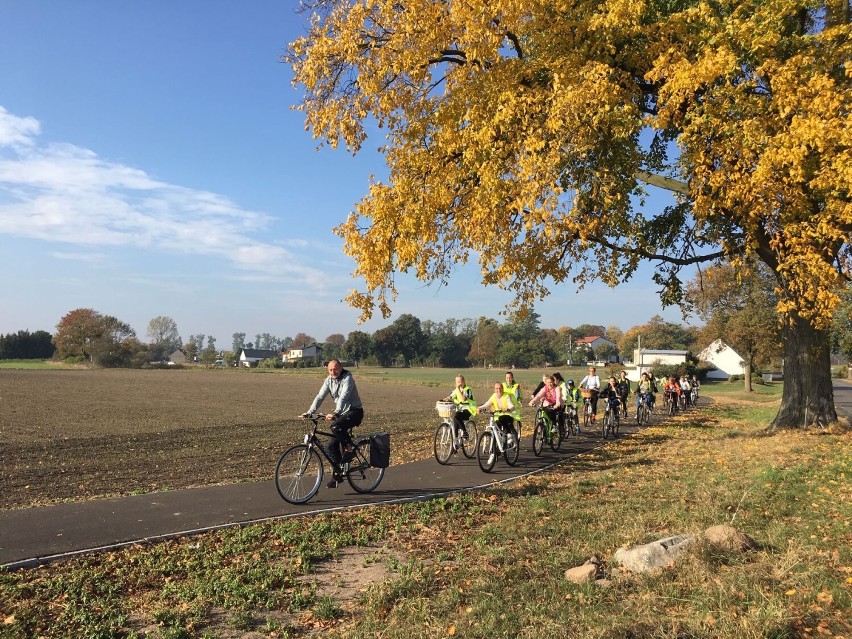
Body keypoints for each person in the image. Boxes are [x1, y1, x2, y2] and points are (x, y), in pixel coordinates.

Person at [303, 358, 364, 487]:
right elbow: (320, 396)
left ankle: (350, 449)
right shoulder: (328, 380)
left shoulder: (348, 379)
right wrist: (310, 411)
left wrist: (335, 413)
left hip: (354, 412)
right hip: (342, 413)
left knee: (335, 426)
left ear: (341, 367)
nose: (333, 372)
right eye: (330, 369)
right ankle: (337, 475)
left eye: (335, 369)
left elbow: (343, 397)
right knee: (331, 445)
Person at [443, 374, 478, 441]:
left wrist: (458, 389)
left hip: (469, 409)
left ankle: (465, 432)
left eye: (460, 382)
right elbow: (450, 397)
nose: (458, 383)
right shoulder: (455, 390)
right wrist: (443, 400)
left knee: (456, 416)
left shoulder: (467, 390)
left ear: (464, 382)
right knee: (454, 424)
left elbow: (463, 399)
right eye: (457, 382)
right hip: (460, 410)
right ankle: (455, 444)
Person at [502, 371, 523, 437]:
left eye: (510, 378)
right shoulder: (502, 385)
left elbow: (518, 397)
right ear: (505, 378)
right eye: (507, 378)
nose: (509, 379)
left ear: (512, 378)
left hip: (514, 407)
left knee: (509, 421)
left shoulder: (516, 386)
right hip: (504, 406)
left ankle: (513, 435)